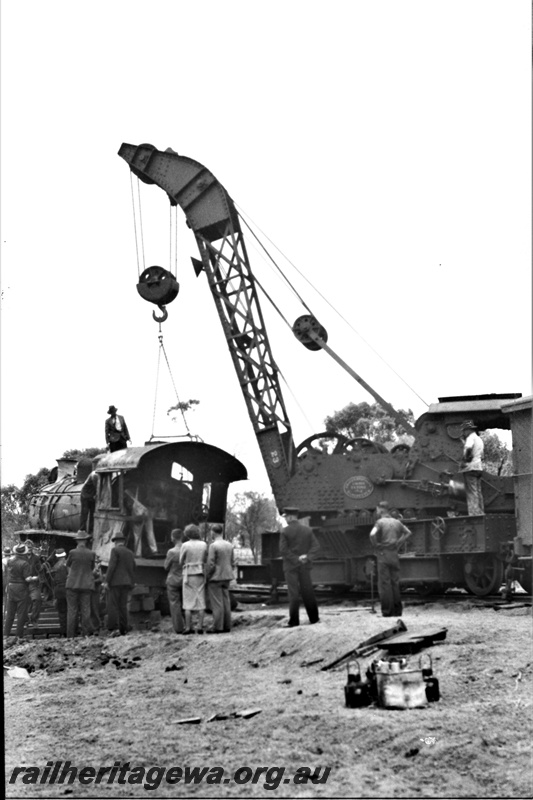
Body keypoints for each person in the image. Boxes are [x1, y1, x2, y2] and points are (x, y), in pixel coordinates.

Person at [279, 507, 321, 628]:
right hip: (305, 566)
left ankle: (294, 621)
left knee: (293, 594)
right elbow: (316, 547)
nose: (286, 519)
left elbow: (283, 550)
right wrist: (306, 557)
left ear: (291, 517)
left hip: (291, 567)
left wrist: (296, 559)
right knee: (308, 592)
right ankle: (314, 618)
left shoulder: (285, 531)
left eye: (286, 517)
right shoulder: (307, 530)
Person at [369, 506, 412, 617]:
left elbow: (372, 534)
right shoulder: (397, 522)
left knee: (385, 583)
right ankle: (398, 611)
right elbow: (408, 533)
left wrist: (376, 545)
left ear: (380, 510)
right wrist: (398, 543)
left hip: (383, 554)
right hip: (394, 554)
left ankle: (388, 611)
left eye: (377, 510)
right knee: (395, 583)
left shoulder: (380, 522)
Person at [105, 532, 136, 636]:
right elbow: (133, 568)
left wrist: (106, 581)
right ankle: (123, 628)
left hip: (115, 583)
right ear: (123, 541)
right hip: (126, 583)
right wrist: (132, 582)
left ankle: (112, 628)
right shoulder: (130, 552)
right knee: (123, 606)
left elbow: (112, 566)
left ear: (116, 542)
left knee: (113, 605)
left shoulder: (115, 550)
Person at [65, 531, 96, 638]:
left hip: (72, 584)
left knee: (72, 611)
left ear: (77, 541)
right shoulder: (91, 554)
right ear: (86, 541)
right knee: (86, 610)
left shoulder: (72, 553)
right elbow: (92, 568)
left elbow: (67, 565)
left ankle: (70, 636)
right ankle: (85, 634)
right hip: (86, 585)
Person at [206, 524, 235, 634]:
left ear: (213, 532)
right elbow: (232, 562)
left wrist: (208, 576)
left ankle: (217, 627)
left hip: (216, 577)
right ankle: (227, 626)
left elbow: (211, 564)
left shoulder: (213, 546)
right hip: (227, 576)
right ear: (222, 532)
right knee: (226, 601)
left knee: (217, 603)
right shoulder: (229, 545)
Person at [180, 524, 207, 634]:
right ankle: (200, 626)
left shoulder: (185, 545)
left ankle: (188, 627)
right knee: (200, 600)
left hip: (188, 574)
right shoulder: (204, 544)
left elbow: (181, 561)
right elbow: (206, 558)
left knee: (187, 602)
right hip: (200, 573)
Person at [3, 544, 32, 639]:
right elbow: (27, 579)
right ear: (24, 553)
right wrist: (35, 578)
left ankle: (6, 634)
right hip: (21, 588)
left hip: (11, 587)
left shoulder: (10, 561)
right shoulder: (25, 563)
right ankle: (19, 635)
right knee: (21, 613)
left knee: (10, 613)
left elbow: (8, 574)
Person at [460, 420, 485, 515]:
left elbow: (468, 448)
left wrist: (465, 460)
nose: (463, 433)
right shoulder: (479, 439)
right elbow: (482, 455)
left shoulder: (470, 438)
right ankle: (481, 512)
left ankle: (474, 514)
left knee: (471, 493)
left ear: (468, 430)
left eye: (464, 431)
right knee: (478, 492)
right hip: (479, 468)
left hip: (470, 468)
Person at [164, 528, 184, 634]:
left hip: (173, 580)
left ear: (173, 538)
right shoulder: (187, 549)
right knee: (185, 604)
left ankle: (178, 628)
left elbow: (166, 567)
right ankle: (188, 625)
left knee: (174, 603)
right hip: (185, 579)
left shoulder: (171, 551)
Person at [25, 540, 42, 628]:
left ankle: (34, 619)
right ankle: (26, 620)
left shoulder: (36, 558)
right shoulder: (21, 558)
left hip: (33, 584)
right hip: (23, 584)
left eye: (30, 548)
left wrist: (37, 577)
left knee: (38, 599)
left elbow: (40, 571)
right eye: (27, 548)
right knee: (23, 603)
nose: (29, 549)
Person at [51, 549, 68, 636]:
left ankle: (63, 631)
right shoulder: (68, 564)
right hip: (67, 589)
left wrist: (54, 596)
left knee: (62, 611)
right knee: (71, 610)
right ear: (65, 555)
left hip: (58, 590)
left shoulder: (55, 567)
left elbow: (53, 582)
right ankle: (70, 631)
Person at [80, 470, 99, 534]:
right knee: (84, 513)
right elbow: (98, 487)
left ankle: (91, 530)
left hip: (91, 495)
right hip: (85, 495)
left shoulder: (95, 474)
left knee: (92, 513)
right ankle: (82, 530)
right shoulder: (94, 475)